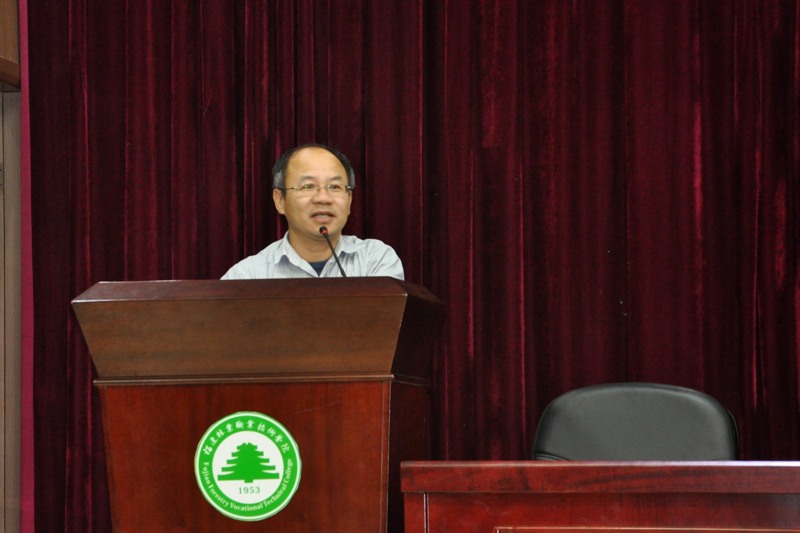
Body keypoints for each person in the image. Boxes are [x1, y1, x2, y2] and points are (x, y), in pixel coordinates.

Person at [221, 143, 404, 280]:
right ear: (280, 200)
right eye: (308, 186)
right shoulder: (248, 276)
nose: (323, 198)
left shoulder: (375, 260)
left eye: (334, 186)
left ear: (349, 200)